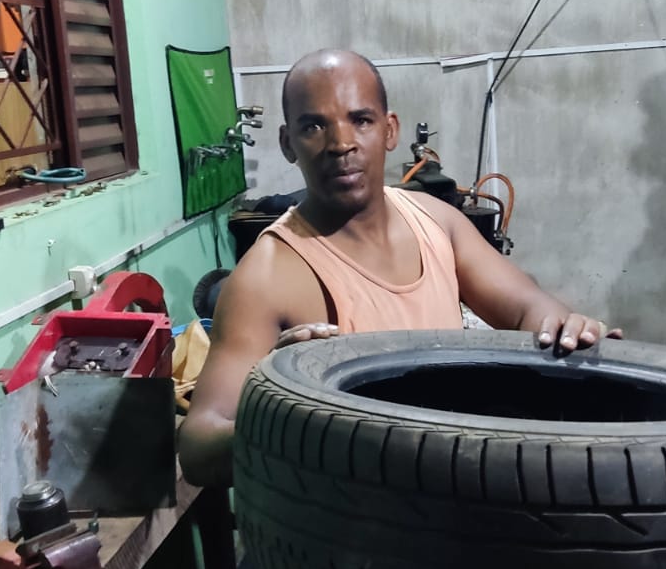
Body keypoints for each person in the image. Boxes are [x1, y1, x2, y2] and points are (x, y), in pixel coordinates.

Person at [178, 49, 620, 487]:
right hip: (357, 532)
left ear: (390, 130)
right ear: (287, 143)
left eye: (361, 120)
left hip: (457, 491)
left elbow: (528, 310)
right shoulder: (267, 275)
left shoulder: (436, 222)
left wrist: (566, 328)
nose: (340, 144)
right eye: (313, 126)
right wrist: (283, 406)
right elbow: (199, 447)